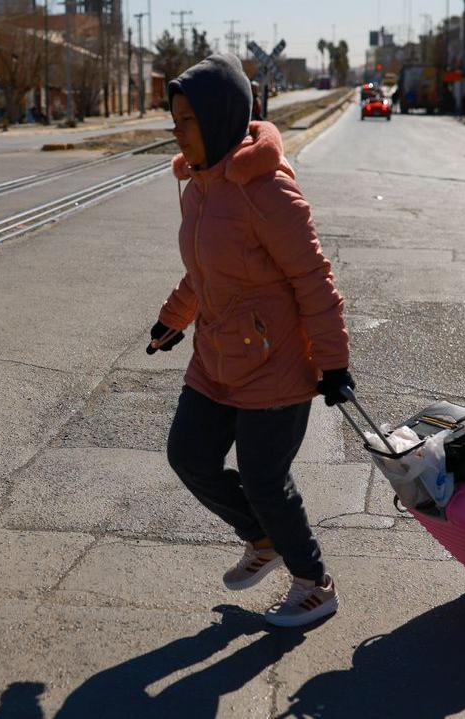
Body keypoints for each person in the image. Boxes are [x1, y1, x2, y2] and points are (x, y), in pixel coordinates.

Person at [150, 54, 352, 628]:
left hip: (276, 364)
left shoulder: (267, 191)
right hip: (215, 357)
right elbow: (205, 272)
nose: (176, 131)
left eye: (186, 120)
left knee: (265, 479)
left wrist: (334, 365)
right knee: (188, 456)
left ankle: (315, 583)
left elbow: (314, 279)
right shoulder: (199, 186)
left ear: (216, 120)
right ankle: (261, 538)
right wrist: (175, 317)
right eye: (175, 119)